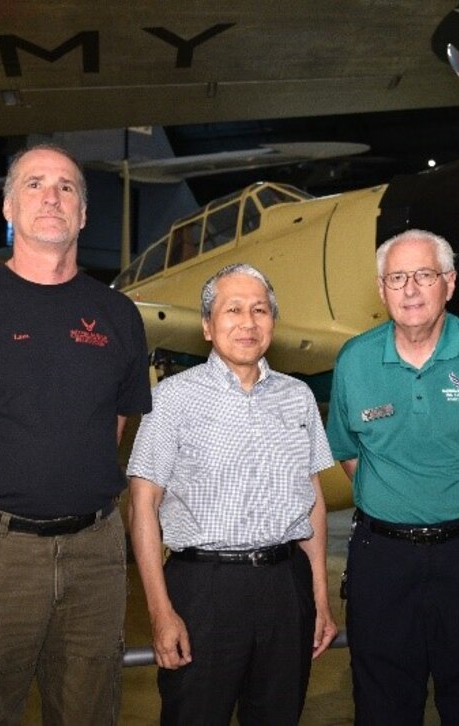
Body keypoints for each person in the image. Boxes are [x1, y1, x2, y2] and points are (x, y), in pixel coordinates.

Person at [0, 143, 152, 725]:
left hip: (95, 556)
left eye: (67, 187)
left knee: (90, 713)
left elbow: (111, 425)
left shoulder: (117, 316)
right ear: (8, 208)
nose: (52, 196)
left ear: (84, 215)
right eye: (35, 184)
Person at [325, 229, 459, 725]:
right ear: (381, 290)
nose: (411, 290)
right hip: (384, 565)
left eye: (425, 275)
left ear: (450, 283)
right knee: (382, 706)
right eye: (397, 278)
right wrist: (400, 501)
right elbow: (349, 452)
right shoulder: (355, 360)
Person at [127, 263, 338, 725]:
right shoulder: (172, 399)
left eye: (260, 310)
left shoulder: (297, 396)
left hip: (286, 587)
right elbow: (143, 504)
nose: (248, 322)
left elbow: (313, 500)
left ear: (273, 323)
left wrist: (319, 599)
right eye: (233, 309)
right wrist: (161, 612)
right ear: (207, 325)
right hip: (204, 590)